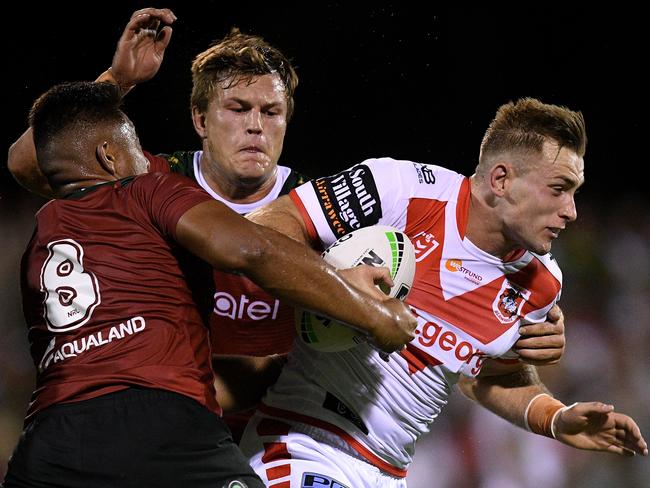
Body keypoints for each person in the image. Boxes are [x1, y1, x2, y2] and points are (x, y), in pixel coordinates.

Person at [6, 8, 569, 439]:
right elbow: (29, 163)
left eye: (270, 112)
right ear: (200, 119)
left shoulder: (320, 209)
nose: (256, 126)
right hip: (171, 414)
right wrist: (117, 82)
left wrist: (526, 316)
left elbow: (436, 282)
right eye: (237, 109)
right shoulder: (155, 181)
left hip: (278, 429)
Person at [2, 81, 417, 488]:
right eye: (138, 154)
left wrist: (277, 372)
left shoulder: (40, 240)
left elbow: (27, 158)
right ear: (110, 157)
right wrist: (371, 312)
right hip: (161, 432)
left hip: (46, 446)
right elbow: (251, 251)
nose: (149, 163)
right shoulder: (144, 190)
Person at [237, 97, 648, 487]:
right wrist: (340, 289)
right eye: (559, 188)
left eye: (575, 192)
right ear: (501, 179)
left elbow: (488, 377)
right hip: (303, 443)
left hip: (392, 473)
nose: (571, 210)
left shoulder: (542, 284)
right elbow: (268, 225)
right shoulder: (401, 190)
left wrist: (554, 419)